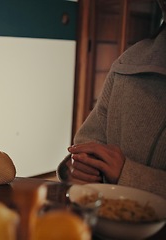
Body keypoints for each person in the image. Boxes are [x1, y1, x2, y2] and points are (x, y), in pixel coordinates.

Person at [57, 0, 166, 199]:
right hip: (101, 217)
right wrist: (76, 168)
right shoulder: (128, 63)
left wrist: (128, 174)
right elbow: (86, 146)